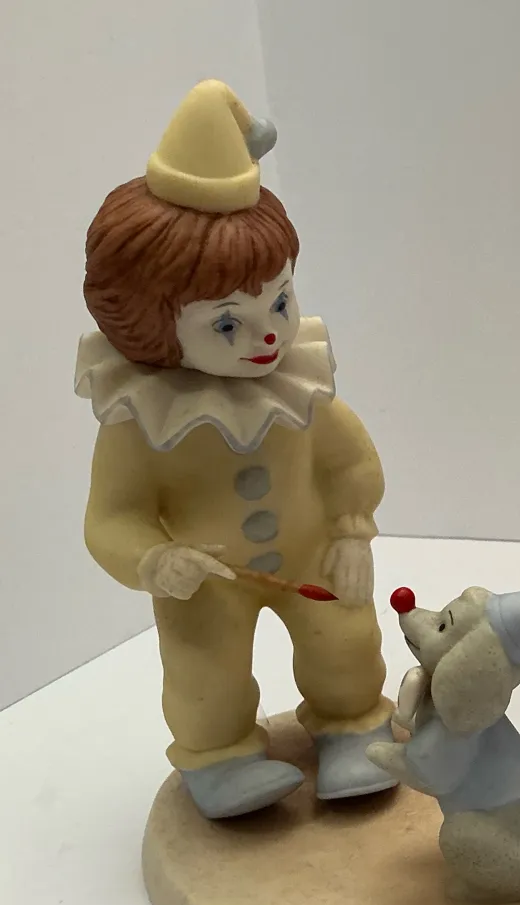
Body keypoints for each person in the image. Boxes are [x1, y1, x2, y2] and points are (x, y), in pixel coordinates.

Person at [77, 81, 396, 818]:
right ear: (155, 325)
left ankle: (354, 726)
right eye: (227, 324)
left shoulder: (297, 389)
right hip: (206, 577)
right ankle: (219, 757)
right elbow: (111, 517)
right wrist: (152, 559)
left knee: (345, 643)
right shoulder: (141, 420)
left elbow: (349, 458)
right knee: (204, 675)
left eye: (279, 301)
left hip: (311, 553)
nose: (269, 334)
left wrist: (352, 530)